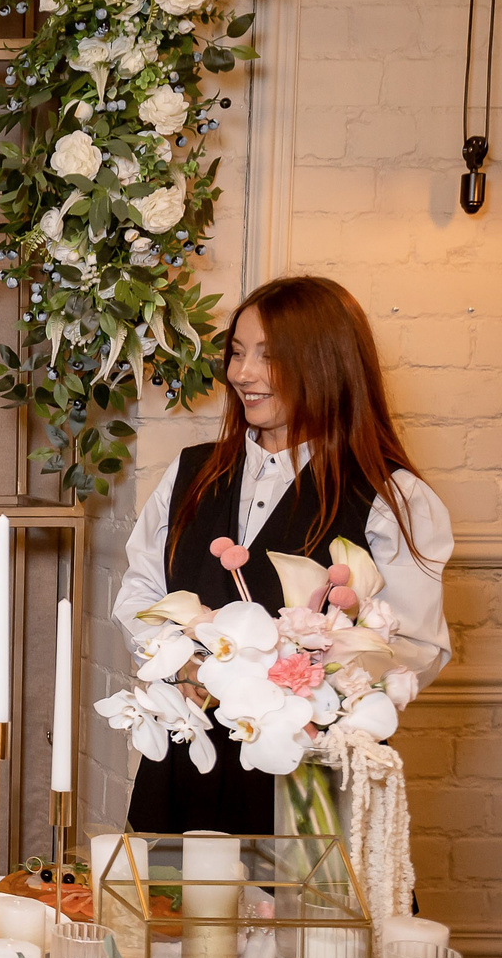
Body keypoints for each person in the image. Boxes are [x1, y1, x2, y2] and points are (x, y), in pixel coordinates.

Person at [112, 276, 453, 834]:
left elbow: (416, 648)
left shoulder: (393, 498)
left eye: (268, 357)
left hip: (308, 778)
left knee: (301, 893)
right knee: (174, 890)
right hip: (186, 763)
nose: (242, 374)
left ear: (327, 365)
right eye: (237, 353)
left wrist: (300, 681)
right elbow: (140, 595)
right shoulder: (190, 473)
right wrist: (188, 666)